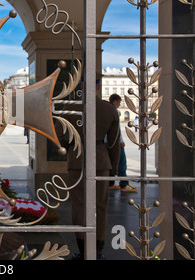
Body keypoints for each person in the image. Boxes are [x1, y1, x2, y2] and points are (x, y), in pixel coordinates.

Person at [61, 73, 120, 260]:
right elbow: (114, 143)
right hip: (101, 161)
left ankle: (83, 248)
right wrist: (114, 169)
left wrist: (70, 147)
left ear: (80, 87)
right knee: (100, 206)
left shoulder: (69, 108)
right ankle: (98, 249)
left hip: (77, 160)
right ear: (98, 85)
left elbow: (62, 137)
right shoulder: (108, 109)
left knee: (79, 206)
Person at [108, 94, 137, 192]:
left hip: (108, 142)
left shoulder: (107, 111)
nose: (120, 104)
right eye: (119, 102)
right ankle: (124, 185)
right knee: (122, 163)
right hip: (116, 142)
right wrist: (121, 141)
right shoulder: (115, 111)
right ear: (115, 101)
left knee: (111, 163)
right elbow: (117, 129)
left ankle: (110, 183)